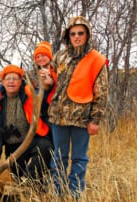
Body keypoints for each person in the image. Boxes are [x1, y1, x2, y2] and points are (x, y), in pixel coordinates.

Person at [48, 16, 108, 198]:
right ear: (68, 36)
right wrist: (46, 80)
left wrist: (95, 120)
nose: (76, 37)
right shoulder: (60, 56)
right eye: (73, 34)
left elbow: (102, 92)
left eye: (80, 33)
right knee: (59, 158)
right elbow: (52, 82)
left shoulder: (96, 60)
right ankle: (58, 194)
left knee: (79, 159)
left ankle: (75, 195)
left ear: (87, 35)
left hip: (82, 119)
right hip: (59, 117)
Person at [33, 41, 57, 141]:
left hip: (52, 115)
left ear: (49, 56)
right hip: (40, 116)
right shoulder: (35, 73)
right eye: (38, 57)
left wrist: (51, 81)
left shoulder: (55, 70)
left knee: (55, 142)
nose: (40, 59)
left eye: (43, 55)